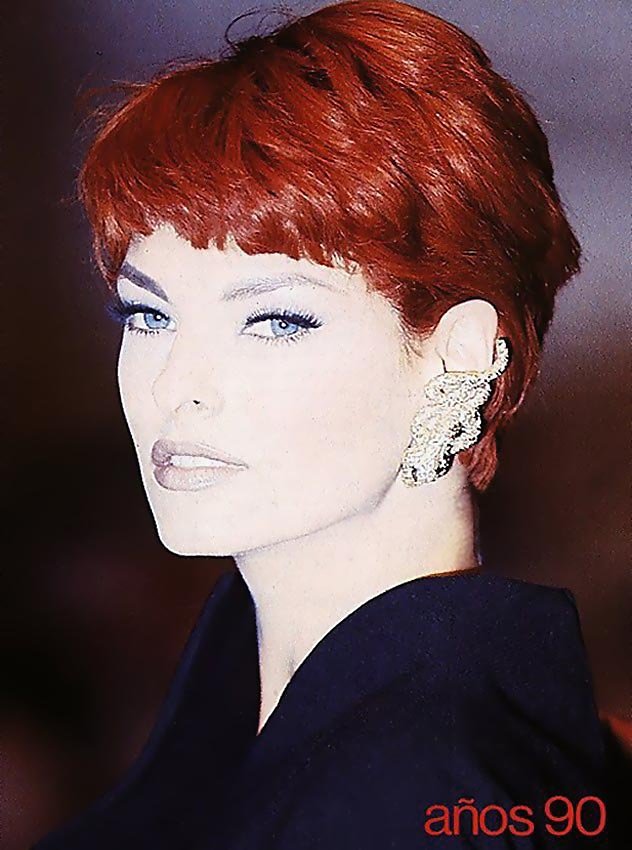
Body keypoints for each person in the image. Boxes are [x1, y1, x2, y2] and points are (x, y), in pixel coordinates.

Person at [32, 1, 617, 847]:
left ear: (456, 355)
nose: (176, 385)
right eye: (148, 316)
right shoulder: (248, 696)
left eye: (274, 321)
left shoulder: (424, 786)